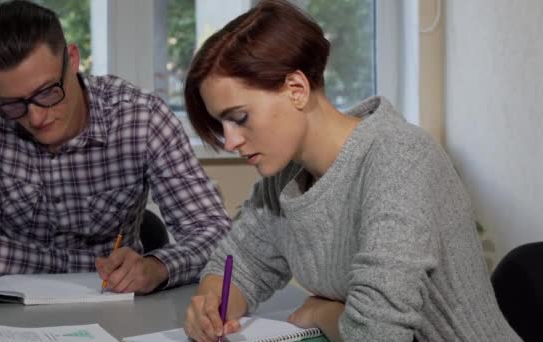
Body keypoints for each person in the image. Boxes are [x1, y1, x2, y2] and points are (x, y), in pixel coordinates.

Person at [181, 1, 521, 341]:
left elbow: (377, 334)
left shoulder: (399, 158)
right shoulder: (284, 179)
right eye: (221, 124)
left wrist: (323, 313)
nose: (230, 141)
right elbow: (239, 264)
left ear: (296, 89)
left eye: (239, 118)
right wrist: (211, 302)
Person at [0, 0, 231, 295]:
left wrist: (156, 266)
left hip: (113, 305)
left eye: (47, 91)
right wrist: (92, 265)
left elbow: (216, 236)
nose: (36, 118)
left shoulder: (141, 118)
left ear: (73, 59)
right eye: (12, 104)